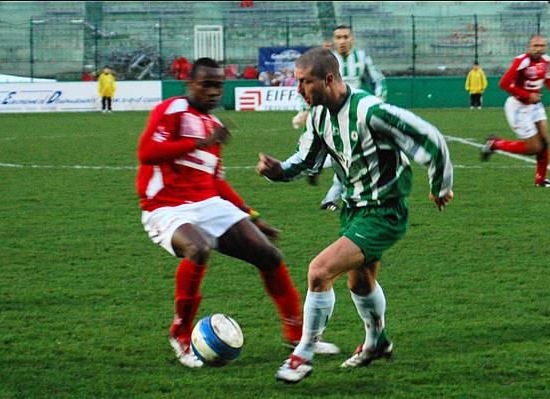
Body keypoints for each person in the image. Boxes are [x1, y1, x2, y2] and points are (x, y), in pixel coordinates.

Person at [256, 48, 454, 383]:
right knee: (360, 282)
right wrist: (277, 171)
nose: (298, 89)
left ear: (329, 79)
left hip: (384, 211)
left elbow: (430, 138)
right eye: (297, 81)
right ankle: (377, 343)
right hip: (353, 208)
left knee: (319, 271)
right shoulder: (318, 115)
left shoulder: (369, 111)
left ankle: (302, 354)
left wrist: (440, 185)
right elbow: (307, 159)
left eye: (305, 82)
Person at [136, 57, 338, 369]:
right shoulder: (172, 110)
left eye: (218, 86)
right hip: (165, 207)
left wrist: (252, 216)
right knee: (198, 249)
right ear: (190, 84)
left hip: (208, 203)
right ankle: (180, 333)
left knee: (269, 256)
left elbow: (216, 182)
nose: (213, 92)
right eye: (206, 85)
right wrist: (200, 141)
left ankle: (296, 334)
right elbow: (147, 153)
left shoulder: (214, 126)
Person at [293, 25, 388, 211]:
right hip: (326, 115)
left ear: (352, 39)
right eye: (338, 37)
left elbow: (378, 80)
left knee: (348, 157)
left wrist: (378, 101)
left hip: (353, 115)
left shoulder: (361, 58)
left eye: (346, 37)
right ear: (334, 40)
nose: (342, 41)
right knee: (344, 156)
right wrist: (304, 110)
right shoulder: (325, 60)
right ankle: (320, 175)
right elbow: (308, 84)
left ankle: (326, 190)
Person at [481, 34, 550, 188]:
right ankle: (495, 144)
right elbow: (504, 83)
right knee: (534, 148)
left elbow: (548, 78)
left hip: (535, 105)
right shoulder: (522, 61)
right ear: (529, 47)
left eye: (542, 46)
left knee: (545, 142)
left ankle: (541, 180)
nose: (539, 49)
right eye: (536, 46)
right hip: (518, 107)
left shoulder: (546, 61)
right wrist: (527, 95)